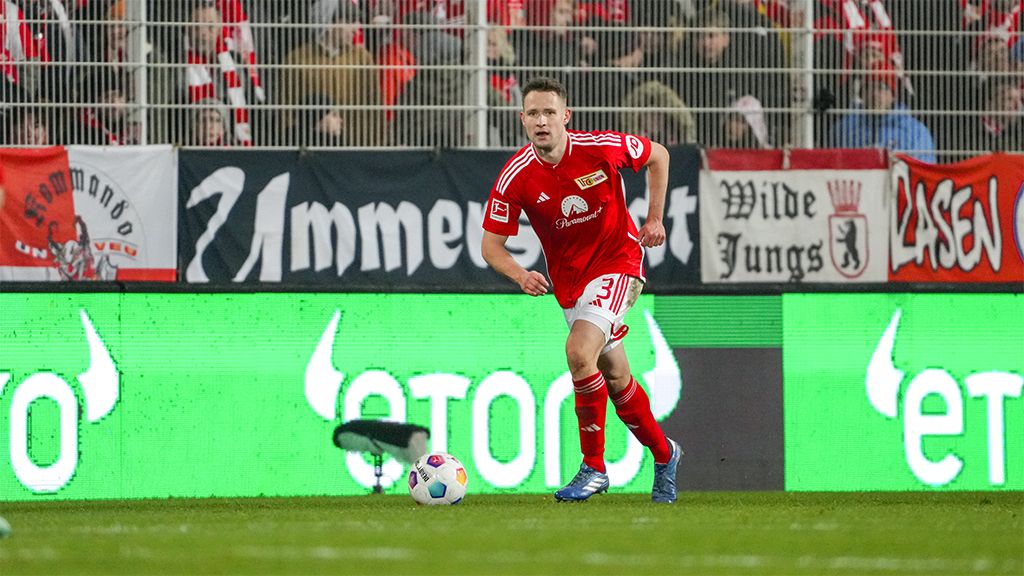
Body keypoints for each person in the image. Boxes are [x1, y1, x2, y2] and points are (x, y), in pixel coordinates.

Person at [480, 76, 683, 503]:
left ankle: (594, 468)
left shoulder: (598, 147)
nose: (542, 121)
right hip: (570, 284)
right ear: (522, 119)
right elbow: (491, 247)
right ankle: (666, 455)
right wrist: (519, 274)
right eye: (533, 113)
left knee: (577, 352)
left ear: (565, 117)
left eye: (550, 112)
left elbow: (658, 156)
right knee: (614, 375)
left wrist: (654, 219)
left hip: (619, 262)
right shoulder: (515, 175)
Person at [830, 62, 936, 162]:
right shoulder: (845, 128)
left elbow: (923, 169)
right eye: (869, 87)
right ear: (862, 94)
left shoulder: (915, 131)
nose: (875, 94)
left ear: (893, 95)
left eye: (882, 88)